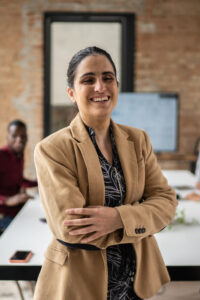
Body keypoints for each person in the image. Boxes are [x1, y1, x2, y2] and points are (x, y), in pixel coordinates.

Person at [33, 46, 177, 300]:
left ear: (116, 86)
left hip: (135, 283)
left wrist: (119, 218)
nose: (100, 86)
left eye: (108, 78)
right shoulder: (52, 149)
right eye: (88, 80)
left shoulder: (138, 139)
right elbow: (73, 229)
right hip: (79, 285)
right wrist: (143, 218)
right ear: (71, 93)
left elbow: (166, 202)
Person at [0, 120, 37, 233]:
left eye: (23, 136)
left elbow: (19, 180)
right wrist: (7, 200)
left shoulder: (19, 156)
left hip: (18, 210)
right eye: (14, 136)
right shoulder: (1, 156)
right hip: (3, 215)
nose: (19, 139)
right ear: (8, 137)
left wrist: (39, 182)